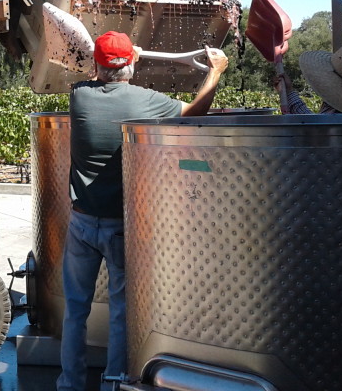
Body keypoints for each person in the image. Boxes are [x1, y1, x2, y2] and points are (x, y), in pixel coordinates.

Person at [57, 31, 228, 391]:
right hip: (123, 227)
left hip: (82, 223)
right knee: (121, 312)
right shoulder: (147, 102)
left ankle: (69, 385)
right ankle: (114, 383)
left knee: (75, 311)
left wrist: (122, 59)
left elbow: (93, 71)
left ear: (97, 65)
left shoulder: (79, 96)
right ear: (131, 65)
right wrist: (214, 73)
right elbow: (194, 114)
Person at [275, 43, 342, 114]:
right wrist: (289, 91)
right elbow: (313, 123)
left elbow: (312, 128)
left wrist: (289, 92)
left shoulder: (337, 115)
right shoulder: (340, 110)